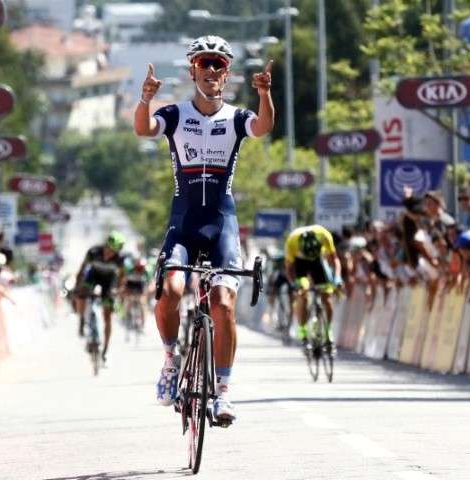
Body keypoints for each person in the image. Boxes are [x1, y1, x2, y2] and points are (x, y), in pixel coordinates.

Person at [134, 35, 274, 422]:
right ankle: (168, 362)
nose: (212, 70)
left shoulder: (237, 116)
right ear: (192, 69)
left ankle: (224, 392)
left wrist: (264, 93)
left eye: (219, 65)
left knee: (223, 304)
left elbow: (262, 128)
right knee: (172, 290)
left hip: (222, 221)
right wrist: (145, 99)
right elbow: (144, 130)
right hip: (184, 221)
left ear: (227, 73)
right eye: (204, 63)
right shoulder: (176, 114)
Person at [284, 225, 343, 348]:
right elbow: (289, 269)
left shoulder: (324, 235)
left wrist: (337, 277)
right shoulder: (292, 241)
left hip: (318, 261)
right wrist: (294, 284)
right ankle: (303, 330)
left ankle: (328, 330)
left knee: (327, 295)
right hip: (300, 263)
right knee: (302, 293)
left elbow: (335, 259)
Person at [74, 230, 126, 363]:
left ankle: (105, 350)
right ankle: (81, 319)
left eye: (115, 251)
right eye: (109, 249)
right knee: (81, 294)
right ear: (106, 245)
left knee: (107, 316)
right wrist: (77, 287)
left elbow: (121, 277)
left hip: (108, 282)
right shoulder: (93, 252)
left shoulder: (119, 259)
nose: (111, 253)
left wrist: (118, 290)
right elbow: (82, 269)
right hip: (93, 276)